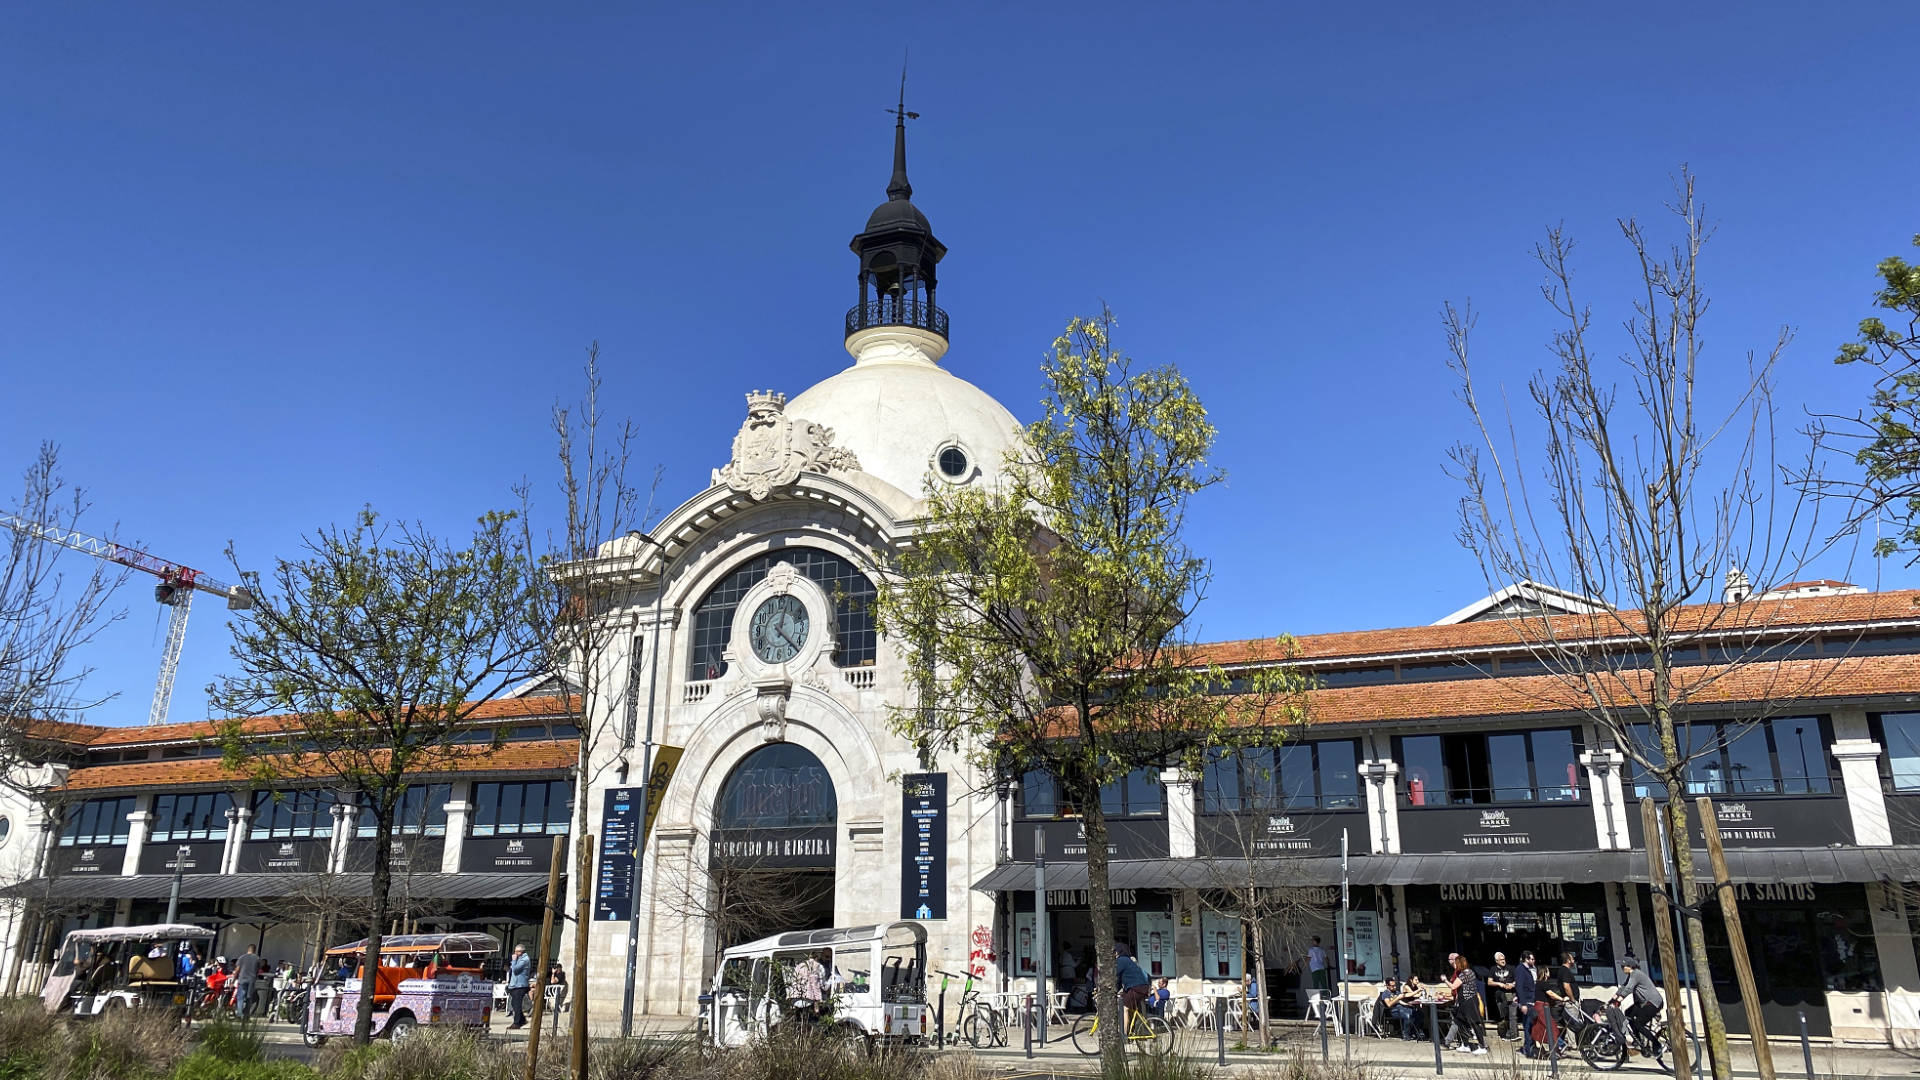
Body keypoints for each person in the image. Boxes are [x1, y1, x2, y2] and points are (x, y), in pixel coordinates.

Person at [1612, 958, 1663, 1051]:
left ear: (1630, 967)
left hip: (1653, 1002)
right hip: (1643, 1003)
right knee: (1628, 1013)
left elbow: (1628, 989)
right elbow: (1623, 987)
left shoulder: (1636, 974)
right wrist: (1612, 999)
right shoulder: (1631, 975)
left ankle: (1657, 1044)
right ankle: (1638, 1040)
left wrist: (1619, 1000)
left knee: (1638, 1024)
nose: (1622, 968)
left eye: (1623, 966)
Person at [1446, 955, 1488, 1054]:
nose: (1454, 965)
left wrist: (1445, 980)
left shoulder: (1465, 974)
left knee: (1474, 1023)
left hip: (1469, 1001)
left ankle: (1482, 1046)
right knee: (1460, 1021)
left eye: (1456, 963)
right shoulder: (1469, 972)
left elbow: (1453, 986)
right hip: (1464, 1001)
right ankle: (1465, 1045)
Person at [1113, 944, 1151, 1018]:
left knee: (1124, 1009)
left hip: (1136, 988)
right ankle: (1136, 1027)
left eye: (1115, 951)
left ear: (1118, 952)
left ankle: (1123, 1030)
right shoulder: (1128, 960)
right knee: (1131, 1007)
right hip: (1142, 987)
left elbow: (1115, 975)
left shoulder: (1121, 960)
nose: (1113, 954)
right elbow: (1120, 980)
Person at [1514, 951, 1540, 1058]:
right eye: (1531, 959)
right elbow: (1519, 986)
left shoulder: (1529, 970)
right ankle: (1529, 1050)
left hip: (1531, 1000)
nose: (1533, 961)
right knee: (1528, 1026)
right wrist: (1523, 1003)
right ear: (1526, 959)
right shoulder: (1521, 970)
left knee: (1530, 1024)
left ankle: (1527, 1047)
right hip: (1527, 1001)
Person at [1486, 952, 1516, 1039]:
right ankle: (1504, 1032)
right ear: (1496, 961)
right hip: (1499, 994)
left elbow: (1516, 979)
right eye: (1501, 960)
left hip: (1509, 992)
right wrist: (1499, 984)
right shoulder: (1493, 969)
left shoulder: (1510, 968)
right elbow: (1489, 982)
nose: (1503, 961)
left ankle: (1512, 1033)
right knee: (1502, 1013)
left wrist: (1512, 984)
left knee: (1510, 1011)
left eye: (1504, 959)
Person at [505, 943, 533, 1029]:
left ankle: (516, 1023)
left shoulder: (524, 959)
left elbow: (516, 970)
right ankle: (522, 1019)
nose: (515, 953)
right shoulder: (519, 958)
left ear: (521, 951)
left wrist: (513, 960)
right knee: (514, 1003)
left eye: (517, 952)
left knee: (517, 1004)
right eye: (515, 951)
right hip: (515, 985)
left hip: (520, 985)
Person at [232, 946, 264, 1018]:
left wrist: (233, 980)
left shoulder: (241, 957)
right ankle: (246, 1015)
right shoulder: (257, 958)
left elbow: (237, 970)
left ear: (248, 949)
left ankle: (240, 1014)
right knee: (249, 998)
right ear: (254, 950)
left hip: (242, 979)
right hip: (251, 980)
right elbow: (259, 969)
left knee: (240, 997)